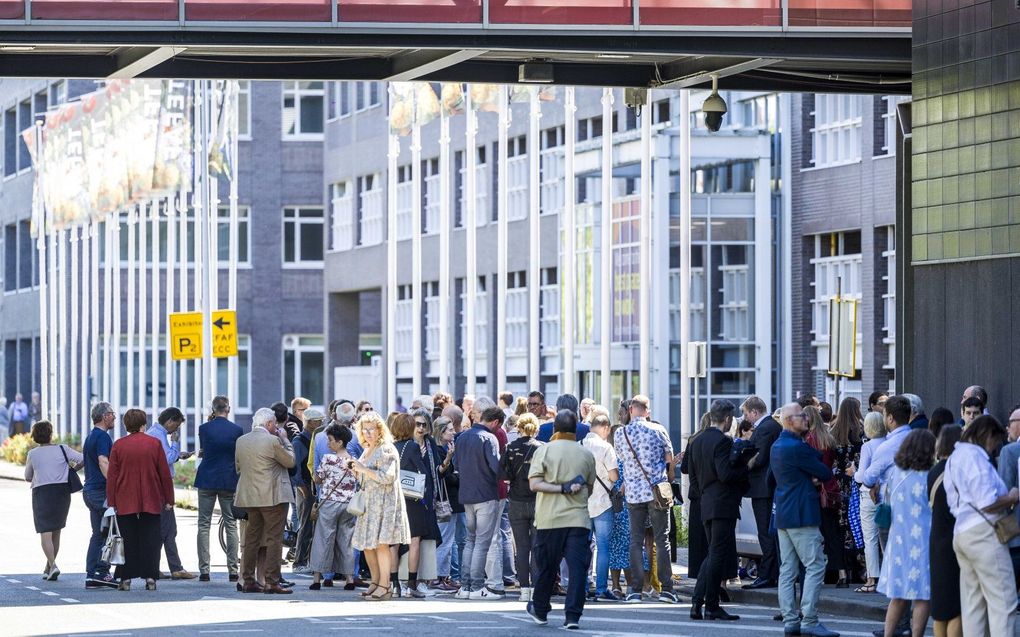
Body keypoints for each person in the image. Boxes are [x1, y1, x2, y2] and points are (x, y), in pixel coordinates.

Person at [771, 402, 841, 637]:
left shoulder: (778, 445)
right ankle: (809, 620)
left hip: (784, 513)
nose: (807, 419)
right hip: (802, 513)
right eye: (802, 416)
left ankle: (791, 621)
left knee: (787, 570)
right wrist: (812, 478)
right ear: (790, 420)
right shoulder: (796, 447)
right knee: (815, 565)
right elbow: (824, 471)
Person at [945, 415, 1019, 636]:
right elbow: (987, 502)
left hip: (962, 532)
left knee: (973, 604)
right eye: (995, 441)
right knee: (1003, 601)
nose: (996, 448)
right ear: (987, 435)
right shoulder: (975, 459)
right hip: (984, 535)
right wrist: (1013, 496)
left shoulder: (955, 457)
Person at [525, 409, 596, 631]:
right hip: (578, 519)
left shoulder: (544, 451)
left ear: (554, 428)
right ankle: (572, 616)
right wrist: (570, 491)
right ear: (575, 429)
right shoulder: (586, 454)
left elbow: (534, 484)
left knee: (547, 567)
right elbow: (590, 488)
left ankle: (540, 608)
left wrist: (560, 488)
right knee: (577, 570)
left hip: (549, 519)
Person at [614, 394, 678, 605]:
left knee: (636, 541)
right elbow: (669, 460)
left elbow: (622, 459)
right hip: (657, 492)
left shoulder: (621, 433)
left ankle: (635, 590)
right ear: (647, 411)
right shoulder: (658, 430)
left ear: (631, 409)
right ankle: (667, 589)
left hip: (633, 493)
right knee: (661, 540)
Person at [687, 399, 747, 620]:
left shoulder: (696, 440)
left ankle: (702, 603)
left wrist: (704, 493)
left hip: (706, 503)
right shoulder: (722, 441)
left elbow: (692, 477)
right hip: (722, 505)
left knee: (713, 553)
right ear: (728, 418)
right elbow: (725, 474)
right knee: (716, 554)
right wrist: (744, 467)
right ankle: (706, 603)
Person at [106, 409, 176, 592]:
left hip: (125, 499)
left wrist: (112, 502)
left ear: (126, 425)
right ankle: (151, 577)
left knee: (127, 539)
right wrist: (169, 499)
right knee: (151, 539)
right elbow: (164, 475)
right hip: (151, 498)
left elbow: (112, 477)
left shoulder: (118, 446)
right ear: (143, 424)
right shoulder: (154, 444)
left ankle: (125, 578)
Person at [877, 429, 935, 637]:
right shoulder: (930, 475)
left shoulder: (896, 473)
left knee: (898, 595)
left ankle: (888, 634)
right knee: (922, 594)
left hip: (899, 539)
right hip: (923, 539)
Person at [234, 407, 296, 595]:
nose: (276, 428)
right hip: (273, 497)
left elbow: (238, 468)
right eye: (275, 425)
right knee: (273, 539)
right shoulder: (273, 440)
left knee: (251, 540)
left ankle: (248, 580)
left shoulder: (241, 441)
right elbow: (290, 461)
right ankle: (272, 581)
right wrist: (285, 439)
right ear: (269, 423)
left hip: (250, 497)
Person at [349, 411, 410, 601]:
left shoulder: (386, 449)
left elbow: (388, 477)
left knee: (382, 545)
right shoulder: (368, 448)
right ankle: (375, 582)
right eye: (364, 429)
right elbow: (366, 475)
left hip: (384, 503)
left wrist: (363, 469)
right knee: (368, 545)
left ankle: (385, 586)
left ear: (380, 430)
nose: (367, 433)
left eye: (371, 429)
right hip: (369, 503)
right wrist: (356, 471)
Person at [453, 405, 503, 599]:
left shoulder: (462, 437)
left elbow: (456, 465)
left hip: (466, 495)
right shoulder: (490, 438)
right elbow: (496, 467)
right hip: (486, 494)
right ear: (496, 422)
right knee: (482, 542)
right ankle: (476, 587)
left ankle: (465, 586)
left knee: (470, 541)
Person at [25, 420, 83, 582]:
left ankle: (53, 565)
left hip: (42, 493)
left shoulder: (33, 454)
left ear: (35, 436)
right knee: (56, 530)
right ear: (50, 434)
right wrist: (71, 470)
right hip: (62, 493)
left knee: (45, 531)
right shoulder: (62, 449)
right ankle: (48, 567)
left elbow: (27, 477)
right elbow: (83, 459)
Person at [393, 410, 442, 598]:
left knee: (394, 544)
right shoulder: (413, 447)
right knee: (415, 541)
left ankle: (394, 584)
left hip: (395, 498)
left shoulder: (391, 446)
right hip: (412, 500)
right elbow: (423, 473)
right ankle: (412, 584)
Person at [195, 395, 243, 583]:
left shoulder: (203, 428)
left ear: (213, 410)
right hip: (228, 479)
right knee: (230, 523)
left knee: (204, 524)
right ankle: (233, 569)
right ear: (228, 409)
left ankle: (204, 570)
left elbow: (204, 451)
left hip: (207, 478)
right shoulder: (237, 430)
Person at [309, 424, 359, 591]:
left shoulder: (328, 459)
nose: (328, 443)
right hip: (349, 505)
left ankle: (317, 578)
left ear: (339, 442)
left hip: (329, 503)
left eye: (330, 440)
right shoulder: (354, 461)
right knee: (346, 541)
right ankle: (349, 578)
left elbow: (317, 479)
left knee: (323, 539)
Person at [148, 407, 196, 580]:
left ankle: (155, 566)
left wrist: (177, 455)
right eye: (176, 426)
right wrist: (175, 443)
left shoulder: (154, 432)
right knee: (168, 528)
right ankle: (173, 568)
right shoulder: (159, 435)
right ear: (169, 421)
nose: (175, 430)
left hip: (157, 484)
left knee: (163, 529)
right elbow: (167, 458)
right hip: (162, 485)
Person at [740, 395, 782, 589]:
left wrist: (743, 464)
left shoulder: (766, 428)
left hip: (762, 488)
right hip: (765, 487)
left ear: (754, 412)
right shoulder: (771, 426)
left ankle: (768, 574)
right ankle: (770, 572)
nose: (746, 418)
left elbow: (760, 456)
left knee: (765, 532)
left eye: (747, 413)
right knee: (768, 532)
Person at [501, 412, 543, 602]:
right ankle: (535, 588)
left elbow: (504, 475)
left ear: (518, 427)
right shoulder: (542, 448)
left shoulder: (510, 447)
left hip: (516, 501)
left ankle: (524, 589)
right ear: (535, 428)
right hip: (537, 501)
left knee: (521, 547)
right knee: (536, 547)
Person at [929, 425, 963, 637]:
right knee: (957, 606)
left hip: (936, 539)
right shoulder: (958, 470)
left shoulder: (933, 471)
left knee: (940, 608)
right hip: (955, 539)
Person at [582, 414, 619, 601]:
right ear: (605, 428)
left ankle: (581, 587)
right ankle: (601, 589)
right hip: (602, 503)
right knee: (603, 547)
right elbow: (613, 477)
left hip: (582, 504)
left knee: (583, 547)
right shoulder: (606, 447)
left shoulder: (579, 445)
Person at [82, 402, 118, 589]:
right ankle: (102, 573)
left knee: (98, 534)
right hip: (100, 492)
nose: (114, 417)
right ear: (104, 416)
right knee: (109, 533)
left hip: (90, 491)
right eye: (112, 414)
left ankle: (91, 575)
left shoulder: (91, 436)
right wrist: (115, 483)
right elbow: (103, 461)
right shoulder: (103, 437)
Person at [829, 397, 864, 585]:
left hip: (837, 485)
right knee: (857, 525)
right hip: (856, 483)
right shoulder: (862, 430)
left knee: (839, 529)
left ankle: (842, 572)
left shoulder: (833, 431)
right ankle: (861, 569)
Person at [854, 411, 886, 593]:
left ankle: (872, 578)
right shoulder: (889, 442)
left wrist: (854, 472)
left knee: (870, 538)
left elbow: (862, 475)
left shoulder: (867, 447)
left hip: (868, 494)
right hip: (886, 493)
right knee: (886, 537)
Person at [680, 413, 712, 583]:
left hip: (695, 493)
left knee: (697, 535)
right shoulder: (719, 440)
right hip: (711, 493)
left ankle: (697, 570)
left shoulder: (693, 439)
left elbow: (684, 468)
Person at [290, 408, 323, 573]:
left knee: (313, 525)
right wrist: (304, 491)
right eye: (318, 421)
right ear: (310, 423)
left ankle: (308, 559)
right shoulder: (299, 441)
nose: (322, 423)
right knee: (305, 525)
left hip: (313, 488)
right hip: (305, 489)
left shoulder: (315, 439)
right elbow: (294, 470)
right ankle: (299, 562)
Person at [433, 416, 462, 591]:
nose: (454, 432)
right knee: (445, 540)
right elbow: (444, 476)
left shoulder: (441, 449)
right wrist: (459, 476)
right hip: (446, 500)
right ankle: (438, 577)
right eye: (450, 429)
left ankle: (442, 575)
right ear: (441, 431)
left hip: (448, 499)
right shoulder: (440, 451)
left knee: (447, 540)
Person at [997, 403, 1020, 586]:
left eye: (1010, 422)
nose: (1007, 427)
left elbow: (1004, 491)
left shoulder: (1009, 451)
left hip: (1015, 532)